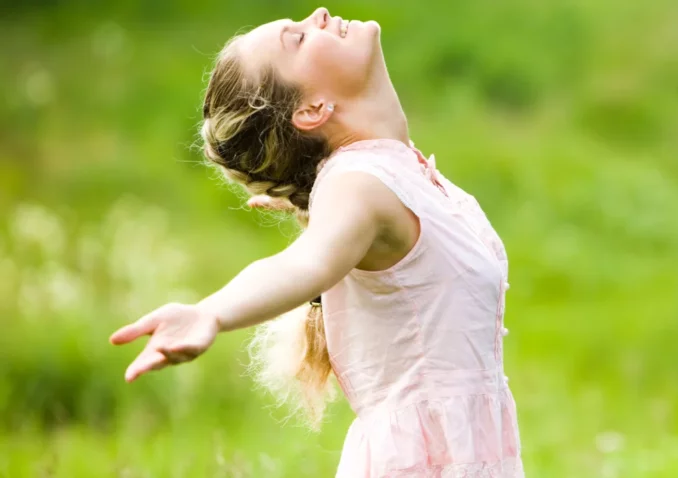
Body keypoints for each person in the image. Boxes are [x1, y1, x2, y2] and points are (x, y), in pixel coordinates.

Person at [109, 7, 523, 477]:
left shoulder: (393, 173)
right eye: (298, 40)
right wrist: (210, 312)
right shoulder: (359, 183)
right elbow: (305, 265)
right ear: (311, 110)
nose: (318, 14)